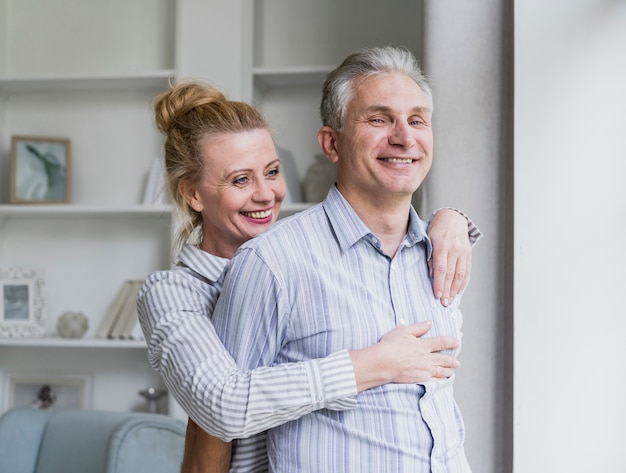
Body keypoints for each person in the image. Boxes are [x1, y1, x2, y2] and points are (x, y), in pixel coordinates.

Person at [138, 79, 479, 472]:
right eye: (240, 180)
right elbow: (223, 404)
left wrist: (450, 219)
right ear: (193, 195)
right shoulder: (172, 294)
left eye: (272, 171)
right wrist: (375, 364)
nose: (266, 194)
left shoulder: (302, 259)